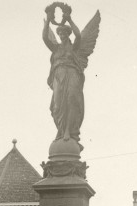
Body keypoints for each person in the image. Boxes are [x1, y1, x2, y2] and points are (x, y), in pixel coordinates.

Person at [42, 8, 100, 147]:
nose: (61, 35)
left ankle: (68, 130)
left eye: (64, 33)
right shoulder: (55, 48)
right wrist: (48, 20)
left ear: (68, 34)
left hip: (72, 75)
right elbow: (45, 37)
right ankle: (61, 131)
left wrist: (69, 19)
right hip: (58, 77)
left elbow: (79, 35)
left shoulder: (74, 48)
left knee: (71, 100)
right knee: (57, 106)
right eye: (60, 32)